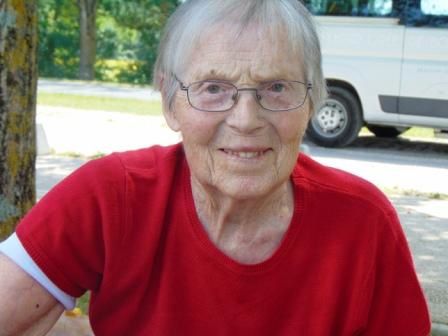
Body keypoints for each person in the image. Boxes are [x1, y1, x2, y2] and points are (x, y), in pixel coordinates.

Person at [0, 0, 430, 335]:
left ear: (314, 101)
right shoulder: (112, 196)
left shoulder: (364, 223)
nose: (245, 119)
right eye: (213, 88)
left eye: (276, 87)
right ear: (171, 101)